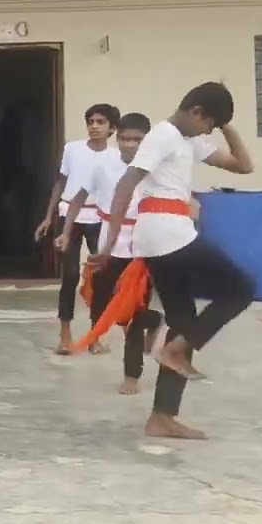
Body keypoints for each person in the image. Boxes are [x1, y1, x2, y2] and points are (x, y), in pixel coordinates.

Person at [88, 83, 255, 439]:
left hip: (162, 234)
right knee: (241, 288)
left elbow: (244, 166)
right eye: (210, 122)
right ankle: (178, 348)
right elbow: (125, 185)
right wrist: (108, 243)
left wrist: (227, 124)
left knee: (182, 318)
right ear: (196, 111)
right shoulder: (162, 135)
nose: (210, 130)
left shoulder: (189, 140)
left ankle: (161, 416)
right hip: (167, 232)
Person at [57, 113, 165, 391]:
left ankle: (132, 375)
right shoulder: (104, 165)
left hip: (144, 245)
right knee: (102, 300)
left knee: (135, 308)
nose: (130, 145)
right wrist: (66, 231)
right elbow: (78, 199)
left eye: (137, 140)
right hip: (110, 243)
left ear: (147, 141)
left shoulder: (158, 169)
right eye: (125, 139)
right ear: (117, 139)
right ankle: (146, 323)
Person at [34, 103, 120, 355]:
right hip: (68, 216)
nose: (94, 126)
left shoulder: (116, 156)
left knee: (101, 279)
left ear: (112, 128)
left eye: (100, 122)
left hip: (99, 217)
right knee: (70, 276)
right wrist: (48, 217)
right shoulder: (72, 149)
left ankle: (95, 336)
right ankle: (65, 335)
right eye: (91, 121)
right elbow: (60, 184)